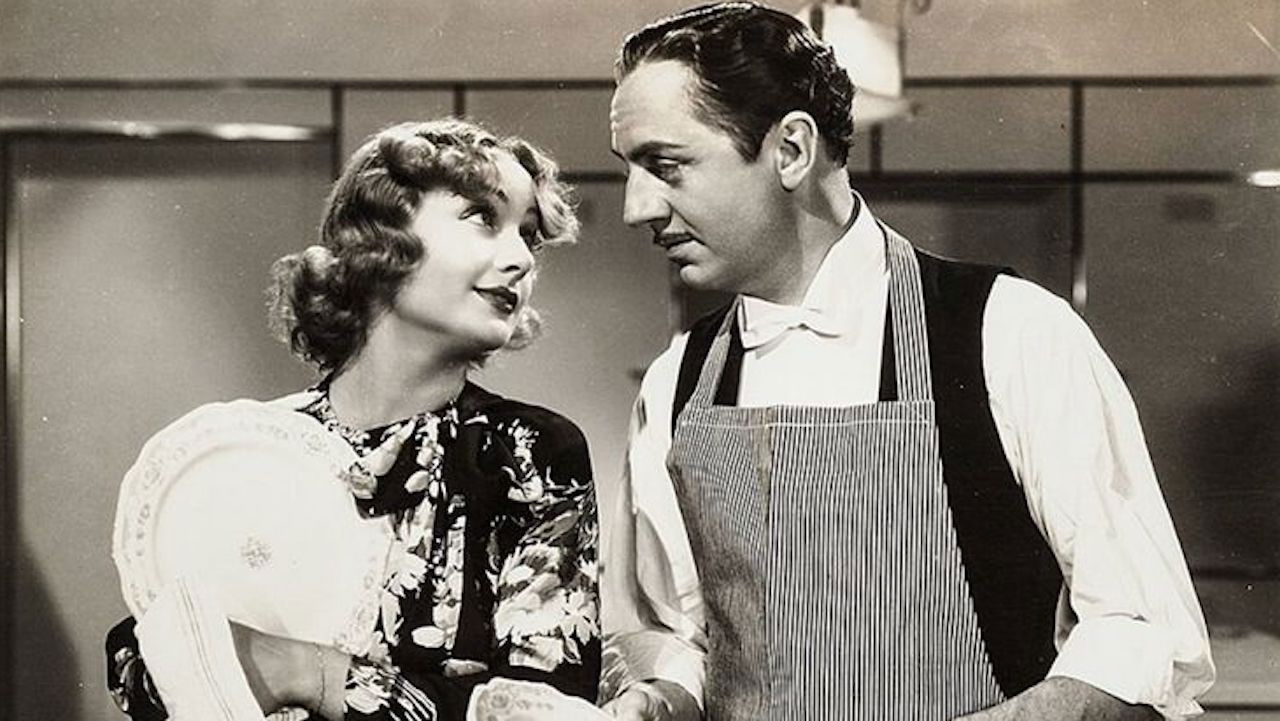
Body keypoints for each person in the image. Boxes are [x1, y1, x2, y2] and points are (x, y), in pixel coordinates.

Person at [599, 3, 1214, 720]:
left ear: (791, 151)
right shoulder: (676, 380)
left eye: (665, 166)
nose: (636, 208)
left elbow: (1140, 635)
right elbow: (676, 633)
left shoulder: (1012, 332)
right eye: (630, 171)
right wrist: (661, 696)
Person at [106, 118, 601, 720]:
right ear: (380, 237)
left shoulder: (526, 452)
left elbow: (548, 709)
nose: (521, 259)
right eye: (482, 217)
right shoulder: (248, 449)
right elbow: (148, 653)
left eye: (528, 236)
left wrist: (303, 671)